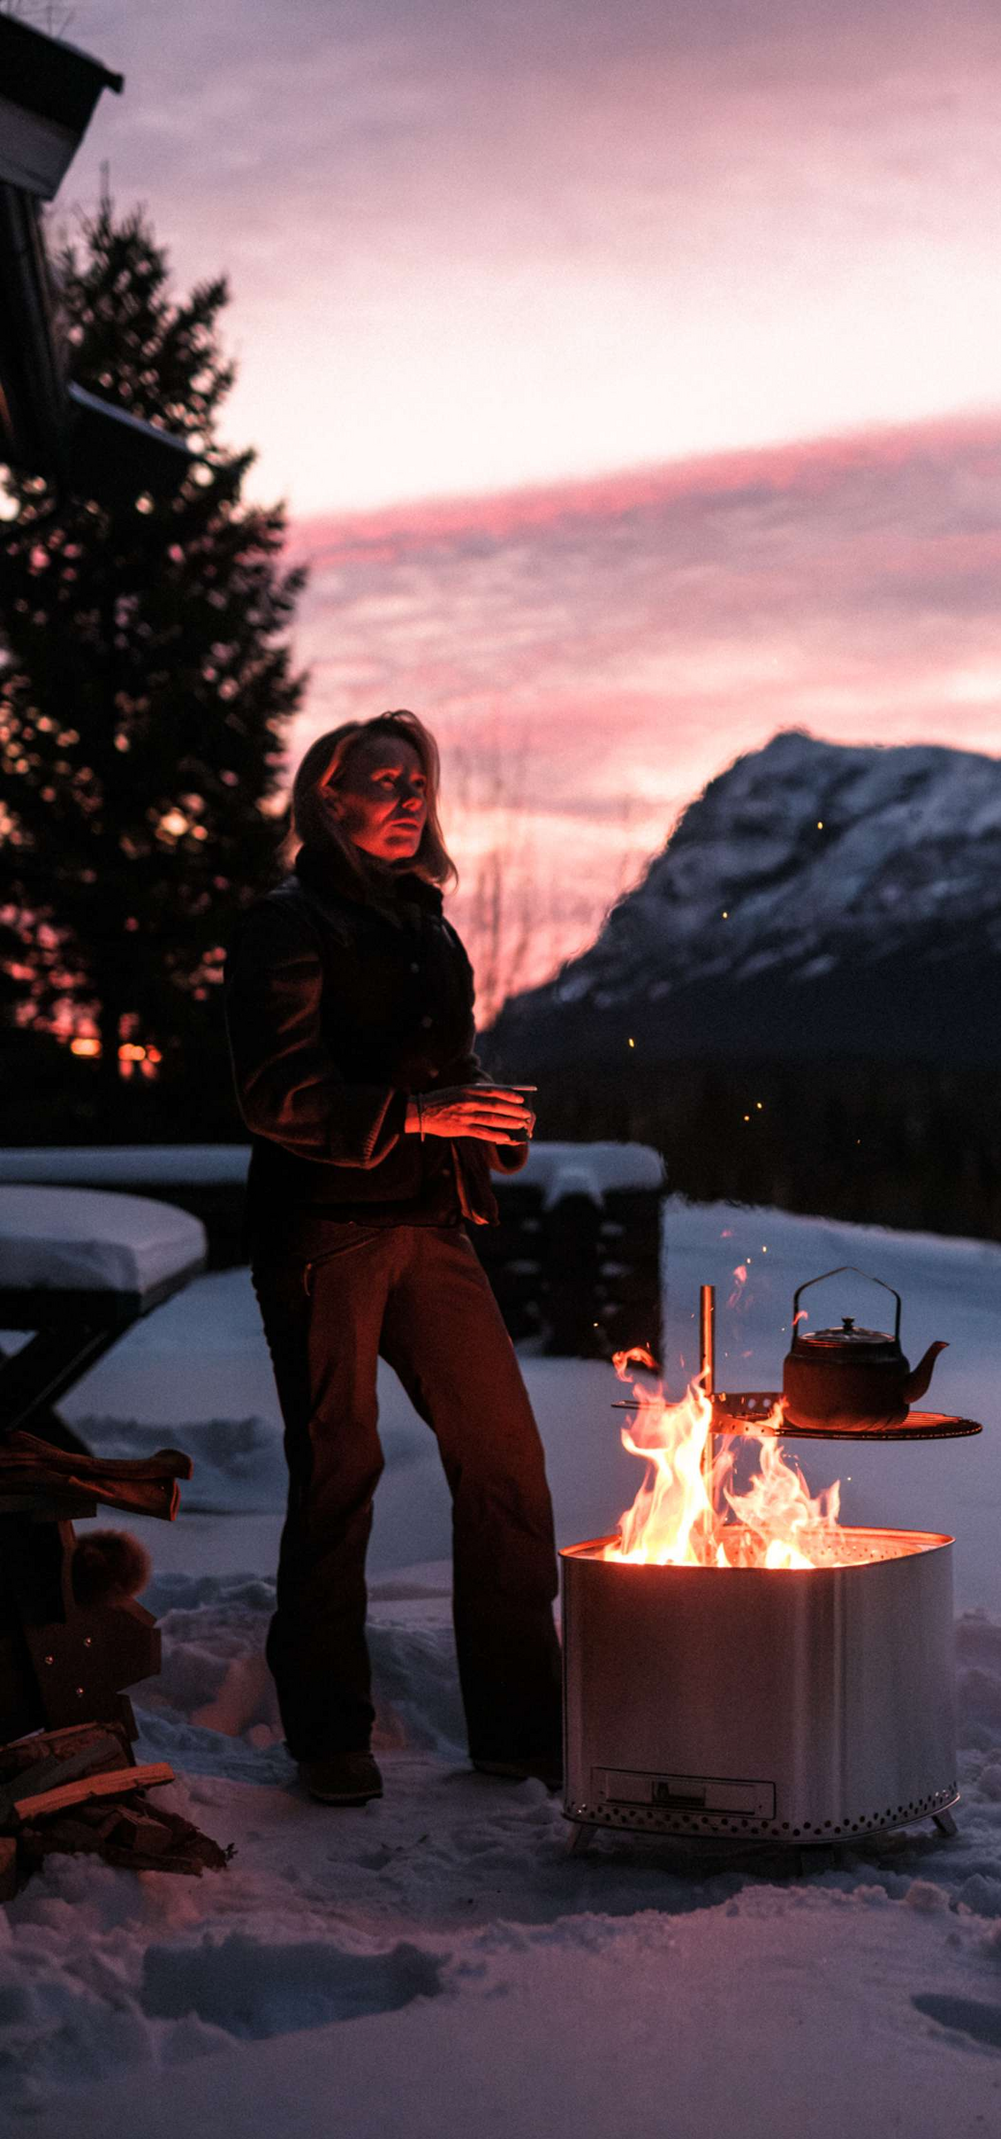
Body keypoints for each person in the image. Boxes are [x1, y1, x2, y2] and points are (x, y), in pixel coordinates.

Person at [224, 709, 561, 1806]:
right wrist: (416, 1115)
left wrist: (483, 1115)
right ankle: (329, 1737)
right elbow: (274, 1094)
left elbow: (442, 1073)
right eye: (386, 781)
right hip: (325, 1229)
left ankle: (521, 1731)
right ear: (328, 797)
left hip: (431, 1224)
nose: (411, 799)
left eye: (419, 783)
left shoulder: (428, 924)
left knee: (504, 1463)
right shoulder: (286, 923)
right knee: (340, 1473)